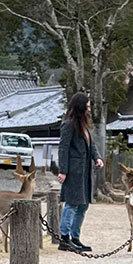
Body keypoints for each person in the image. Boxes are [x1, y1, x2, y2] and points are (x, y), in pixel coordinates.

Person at [56, 93, 103, 252]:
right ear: (80, 107)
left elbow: (92, 145)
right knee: (72, 204)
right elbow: (63, 148)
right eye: (87, 106)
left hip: (85, 171)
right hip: (73, 171)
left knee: (83, 205)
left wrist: (97, 157)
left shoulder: (84, 126)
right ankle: (64, 238)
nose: (89, 109)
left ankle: (75, 237)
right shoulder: (68, 125)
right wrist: (63, 170)